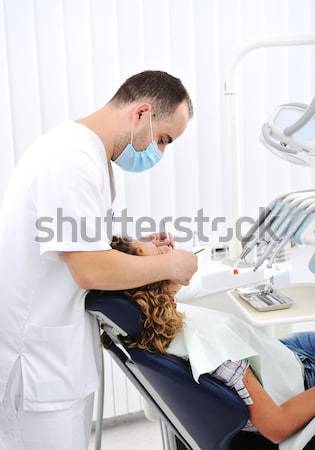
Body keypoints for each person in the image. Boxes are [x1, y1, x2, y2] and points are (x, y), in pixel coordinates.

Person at [0, 71, 198, 450]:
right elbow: (90, 267)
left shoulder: (87, 154)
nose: (160, 150)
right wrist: (172, 265)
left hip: (56, 357)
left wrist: (141, 247)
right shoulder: (71, 159)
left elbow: (80, 242)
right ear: (142, 113)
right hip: (39, 366)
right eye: (162, 139)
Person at [100, 235, 315, 446]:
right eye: (158, 253)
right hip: (299, 376)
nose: (167, 250)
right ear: (148, 286)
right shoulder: (213, 351)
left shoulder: (154, 324)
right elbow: (277, 426)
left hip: (282, 357)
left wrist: (148, 247)